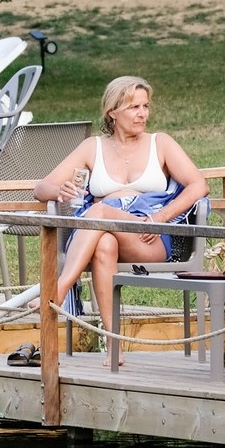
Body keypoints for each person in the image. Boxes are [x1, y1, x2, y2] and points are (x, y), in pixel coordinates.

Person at [34, 76, 208, 357]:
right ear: (112, 112)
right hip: (102, 237)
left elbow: (199, 185)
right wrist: (59, 190)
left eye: (145, 106)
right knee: (104, 244)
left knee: (99, 210)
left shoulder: (160, 143)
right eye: (133, 107)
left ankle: (59, 287)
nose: (142, 114)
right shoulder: (93, 147)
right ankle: (113, 344)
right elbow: (40, 189)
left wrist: (159, 217)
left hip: (148, 236)